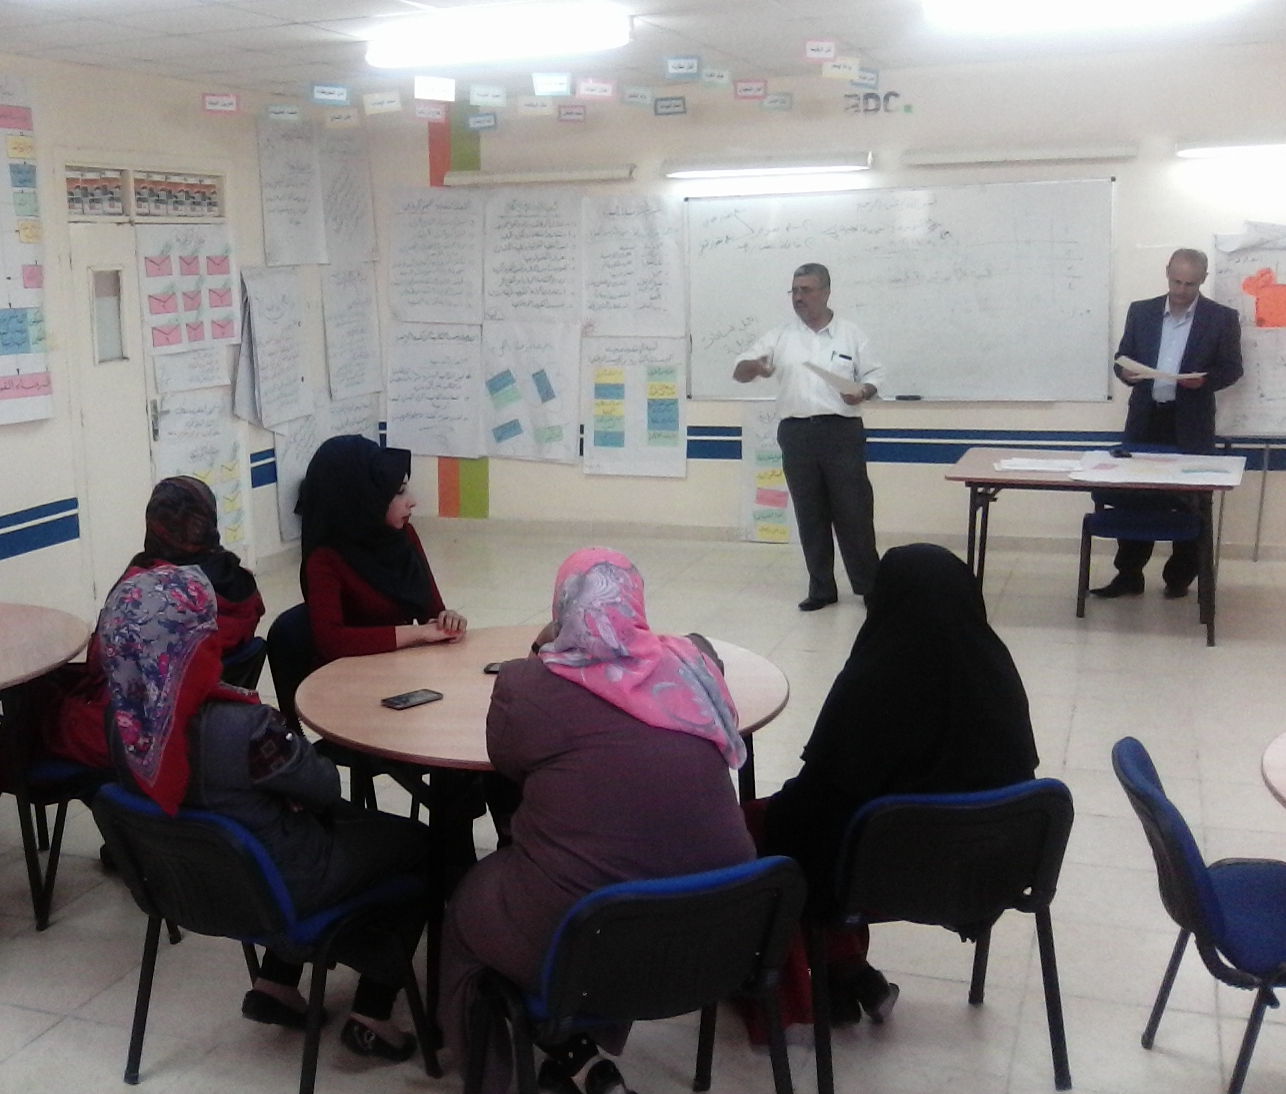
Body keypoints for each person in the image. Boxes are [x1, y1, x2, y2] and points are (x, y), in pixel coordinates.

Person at [440, 548, 755, 1094]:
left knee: (466, 903)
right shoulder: (694, 666)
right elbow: (700, 646)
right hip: (720, 929)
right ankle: (579, 1044)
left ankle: (491, 1073)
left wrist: (542, 650)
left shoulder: (528, 685)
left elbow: (506, 763)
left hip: (590, 937)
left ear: (562, 609)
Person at [99, 565, 429, 1063]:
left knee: (288, 831)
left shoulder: (122, 721)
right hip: (283, 884)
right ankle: (373, 1014)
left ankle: (276, 983)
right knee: (418, 846)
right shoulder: (247, 727)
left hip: (191, 884)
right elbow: (324, 787)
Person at [760, 543, 1038, 1025]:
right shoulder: (997, 673)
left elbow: (815, 801)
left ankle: (790, 984)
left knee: (769, 834)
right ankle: (847, 970)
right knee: (834, 827)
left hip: (879, 877)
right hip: (985, 874)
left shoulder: (872, 681)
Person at [30, 476, 264, 772]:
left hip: (133, 730)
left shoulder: (145, 591)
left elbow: (101, 662)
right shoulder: (241, 582)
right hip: (197, 720)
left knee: (32, 703)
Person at [270, 434, 467, 727]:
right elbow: (331, 642)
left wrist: (447, 620)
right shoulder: (326, 558)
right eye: (398, 493)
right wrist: (418, 634)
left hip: (399, 675)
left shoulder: (401, 537)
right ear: (364, 498)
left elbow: (432, 611)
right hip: (349, 689)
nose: (412, 501)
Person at [733, 263, 886, 611]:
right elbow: (740, 370)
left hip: (841, 432)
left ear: (826, 292)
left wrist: (863, 391)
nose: (799, 297)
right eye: (795, 290)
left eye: (806, 290)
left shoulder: (851, 335)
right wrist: (754, 367)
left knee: (854, 513)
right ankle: (821, 588)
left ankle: (870, 588)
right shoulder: (780, 336)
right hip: (797, 434)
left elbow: (875, 376)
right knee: (810, 514)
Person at [1093, 248, 1244, 599]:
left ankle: (1179, 579)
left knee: (1190, 501)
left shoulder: (1221, 318)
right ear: (1167, 273)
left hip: (1190, 421)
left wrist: (1204, 381)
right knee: (1134, 496)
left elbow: (1232, 368)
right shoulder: (1141, 311)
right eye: (1176, 281)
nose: (1180, 290)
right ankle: (1129, 575)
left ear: (1203, 280)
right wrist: (1125, 372)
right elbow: (1122, 357)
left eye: (1189, 284)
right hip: (1146, 418)